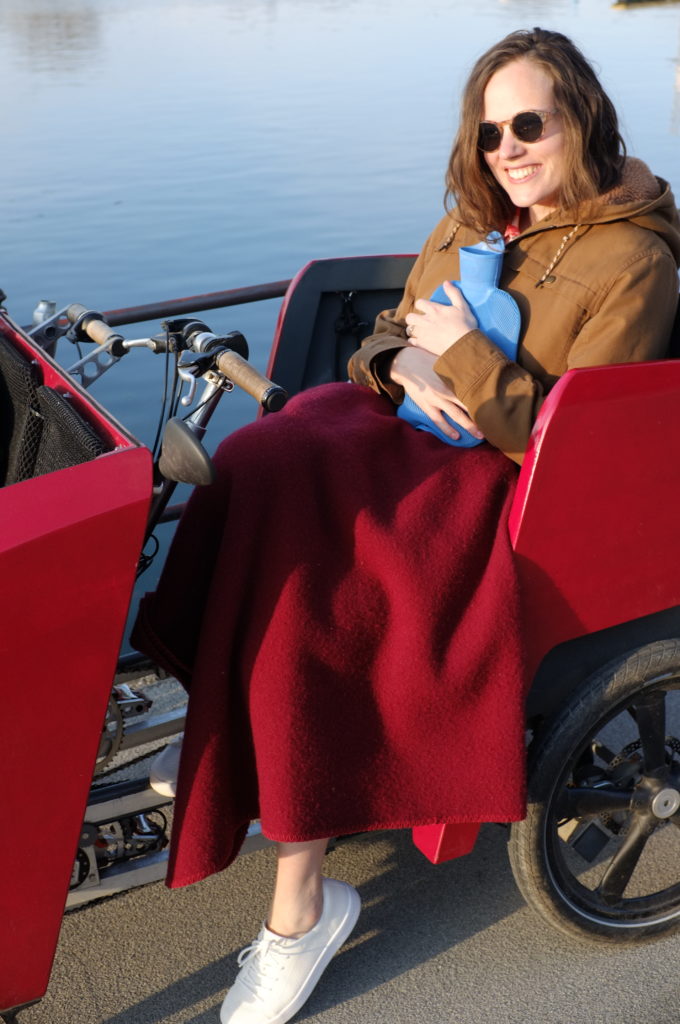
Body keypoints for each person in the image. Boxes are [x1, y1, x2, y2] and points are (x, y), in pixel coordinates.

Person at [135, 27, 680, 1024]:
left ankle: (303, 908)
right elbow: (390, 328)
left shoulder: (632, 259)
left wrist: (463, 354)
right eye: (488, 133)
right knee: (254, 461)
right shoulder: (475, 220)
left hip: (500, 478)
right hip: (403, 421)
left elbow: (569, 435)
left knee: (320, 571)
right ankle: (219, 719)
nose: (506, 150)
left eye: (528, 124)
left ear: (581, 121)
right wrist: (400, 364)